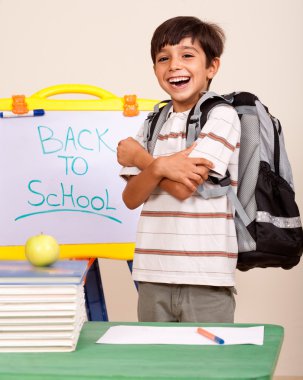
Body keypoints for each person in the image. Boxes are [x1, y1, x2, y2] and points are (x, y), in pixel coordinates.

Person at [117, 16, 241, 323]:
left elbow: (184, 189)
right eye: (163, 58)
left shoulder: (221, 117)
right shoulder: (152, 122)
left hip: (206, 276)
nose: (174, 65)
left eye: (187, 55)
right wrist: (164, 168)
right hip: (150, 272)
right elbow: (131, 197)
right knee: (157, 367)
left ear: (212, 67)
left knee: (207, 369)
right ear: (156, 69)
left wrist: (150, 163)